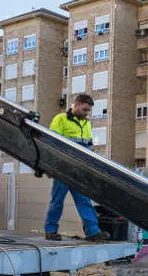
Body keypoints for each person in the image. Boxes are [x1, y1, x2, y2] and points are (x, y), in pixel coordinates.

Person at [43, 94, 110, 242]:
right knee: (57, 201)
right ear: (77, 105)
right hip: (63, 169)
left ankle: (93, 232)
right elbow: (53, 142)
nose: (87, 113)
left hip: (79, 171)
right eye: (85, 110)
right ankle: (50, 230)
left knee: (84, 201)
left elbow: (89, 148)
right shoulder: (60, 119)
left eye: (88, 111)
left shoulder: (87, 124)